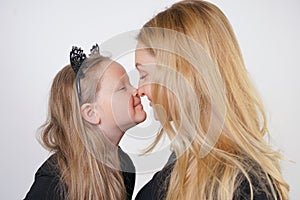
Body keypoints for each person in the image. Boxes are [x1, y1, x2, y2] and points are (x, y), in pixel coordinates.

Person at [134, 1, 289, 200]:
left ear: (183, 73)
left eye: (144, 74)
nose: (139, 90)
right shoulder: (176, 170)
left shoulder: (248, 188)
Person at [24, 44, 146, 200]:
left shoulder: (123, 165)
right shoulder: (55, 179)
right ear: (91, 113)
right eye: (122, 88)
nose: (136, 90)